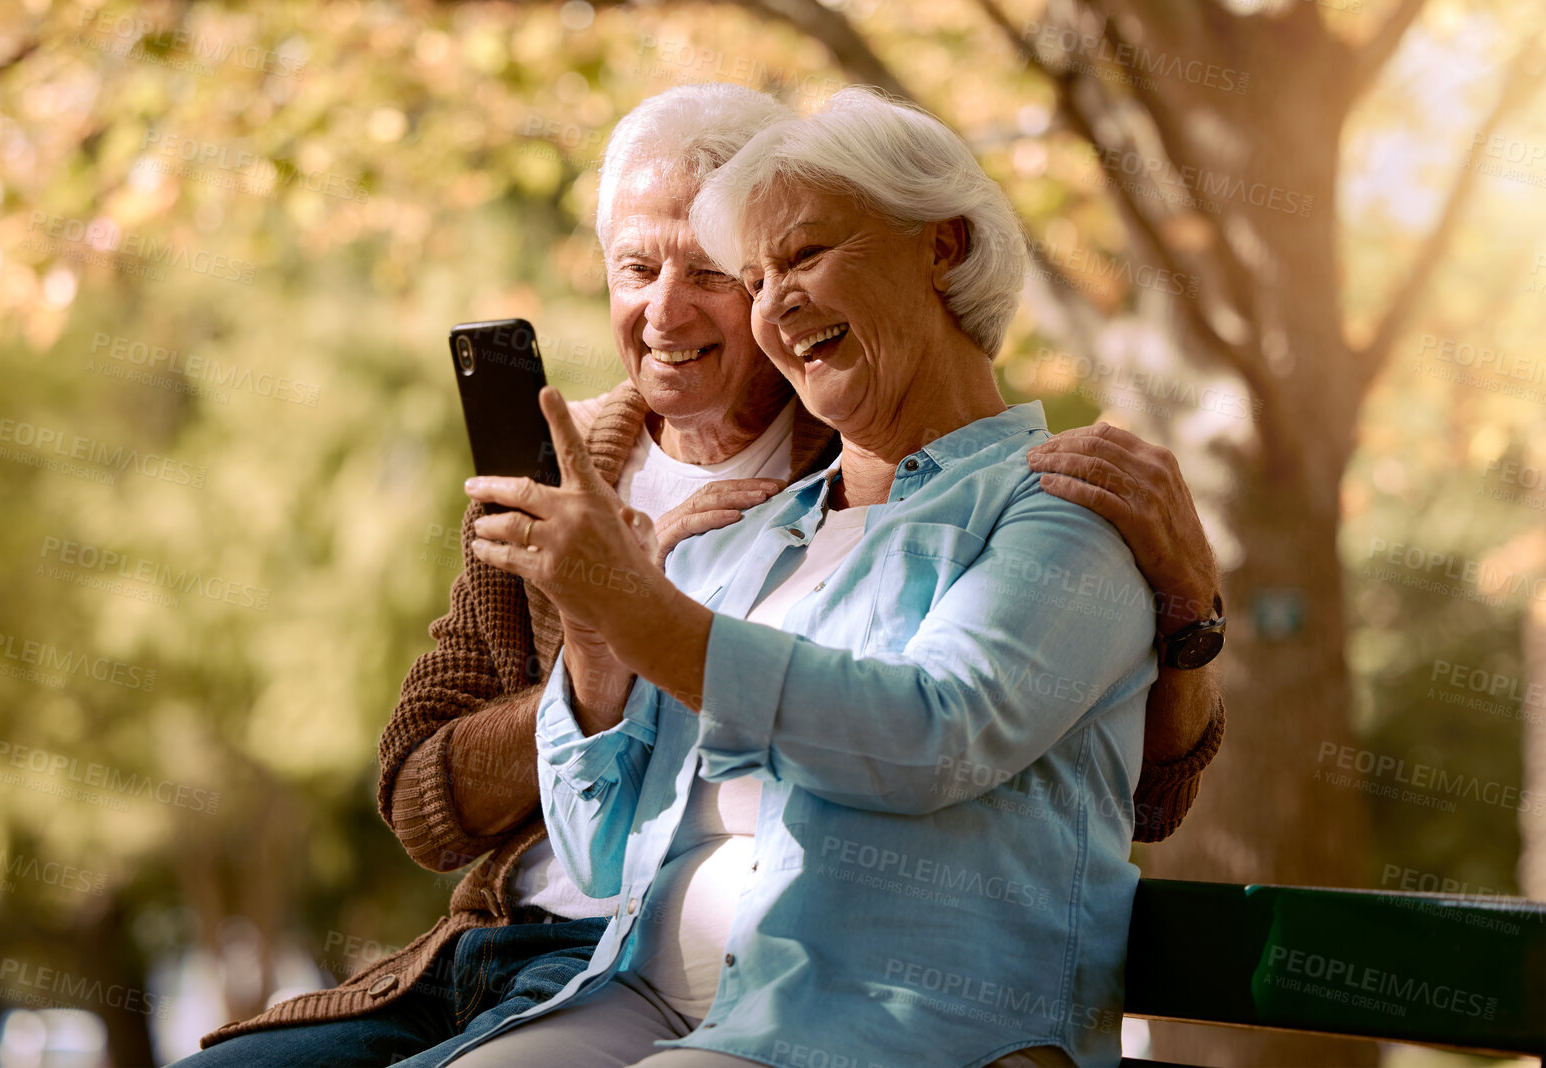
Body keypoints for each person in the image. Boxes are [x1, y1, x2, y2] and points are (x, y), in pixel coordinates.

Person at [184, 84, 1224, 1068]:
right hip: (555, 957)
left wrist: (1188, 619)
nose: (674, 310)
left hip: (800, 993)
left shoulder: (944, 476)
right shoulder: (611, 490)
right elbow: (431, 802)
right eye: (638, 270)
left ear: (935, 250)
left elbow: (1080, 774)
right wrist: (600, 639)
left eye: (734, 269)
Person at [445, 86, 1169, 1068]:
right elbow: (599, 851)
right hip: (641, 999)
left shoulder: (1059, 509)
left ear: (939, 247)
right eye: (753, 275)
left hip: (898, 1029)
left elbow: (931, 739)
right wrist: (596, 630)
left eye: (803, 255)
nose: (771, 302)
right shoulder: (750, 532)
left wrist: (647, 613)